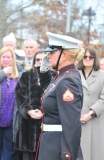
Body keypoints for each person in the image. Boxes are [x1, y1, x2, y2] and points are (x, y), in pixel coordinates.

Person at [35, 32, 85, 160]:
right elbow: (49, 91)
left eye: (52, 53)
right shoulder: (61, 76)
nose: (48, 56)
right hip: (50, 142)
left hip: (58, 147)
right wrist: (44, 70)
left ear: (65, 55)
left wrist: (68, 155)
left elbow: (71, 124)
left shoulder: (68, 80)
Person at [0, 46, 29, 160]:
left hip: (12, 123)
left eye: (8, 57)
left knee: (8, 155)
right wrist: (3, 72)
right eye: (3, 57)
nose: (6, 59)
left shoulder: (19, 76)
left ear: (13, 59)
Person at [77, 48, 104, 160]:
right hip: (77, 117)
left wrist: (90, 114)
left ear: (95, 59)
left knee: (94, 153)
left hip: (95, 118)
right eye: (85, 56)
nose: (87, 59)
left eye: (90, 57)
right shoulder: (75, 74)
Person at [14, 50, 45, 160]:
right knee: (27, 156)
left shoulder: (53, 77)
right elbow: (19, 95)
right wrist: (28, 110)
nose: (40, 62)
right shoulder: (26, 76)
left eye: (43, 59)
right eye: (38, 59)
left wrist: (43, 111)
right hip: (27, 124)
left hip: (45, 123)